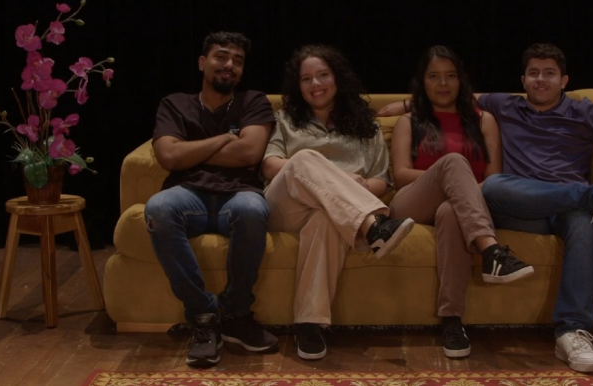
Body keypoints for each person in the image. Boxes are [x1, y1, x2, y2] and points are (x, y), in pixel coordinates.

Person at [378, 43, 593, 373]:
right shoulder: (506, 106)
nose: (540, 80)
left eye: (549, 74)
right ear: (523, 80)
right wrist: (409, 103)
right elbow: (452, 100)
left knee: (584, 224)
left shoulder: (583, 111)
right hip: (515, 204)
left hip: (564, 208)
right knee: (493, 185)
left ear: (564, 80)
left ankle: (573, 332)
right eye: (533, 73)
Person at [262, 45, 414, 361]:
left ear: (337, 78)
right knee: (304, 159)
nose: (315, 84)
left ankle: (309, 323)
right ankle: (373, 226)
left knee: (326, 218)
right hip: (287, 206)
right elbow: (271, 165)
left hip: (336, 212)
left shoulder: (366, 125)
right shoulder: (285, 119)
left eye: (323, 75)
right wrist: (339, 177)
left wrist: (356, 186)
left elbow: (382, 181)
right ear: (297, 85)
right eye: (306, 79)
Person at [387, 46, 534, 359]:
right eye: (434, 76)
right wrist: (450, 179)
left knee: (452, 211)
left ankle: (452, 321)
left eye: (450, 76)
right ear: (422, 82)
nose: (443, 83)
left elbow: (493, 178)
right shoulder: (409, 121)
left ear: (461, 80)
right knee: (454, 162)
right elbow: (400, 175)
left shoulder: (484, 121)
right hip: (413, 202)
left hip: (467, 206)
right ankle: (491, 251)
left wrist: (460, 192)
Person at [145, 31, 279, 368]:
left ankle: (236, 314)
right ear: (202, 62)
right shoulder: (174, 104)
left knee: (252, 209)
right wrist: (224, 139)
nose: (230, 64)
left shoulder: (254, 101)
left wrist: (189, 151)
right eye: (221, 56)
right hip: (188, 194)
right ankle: (203, 317)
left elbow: (250, 152)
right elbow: (169, 157)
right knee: (159, 208)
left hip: (239, 193)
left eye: (238, 61)